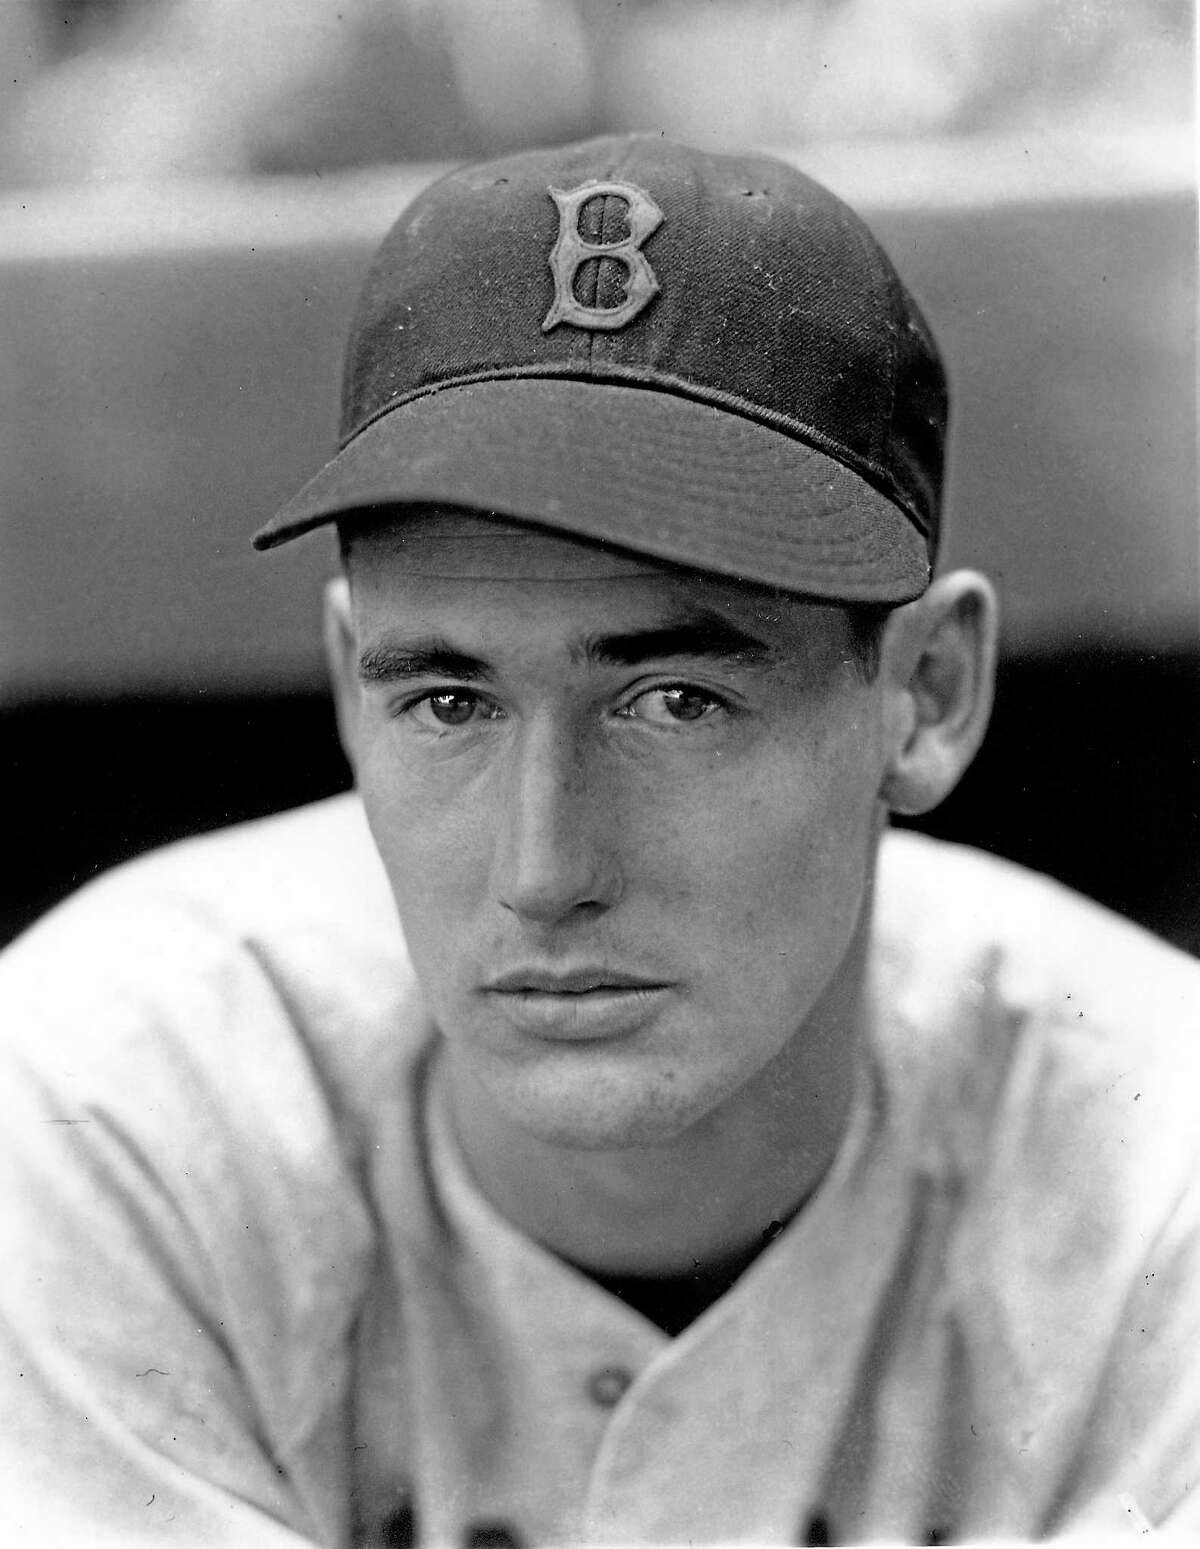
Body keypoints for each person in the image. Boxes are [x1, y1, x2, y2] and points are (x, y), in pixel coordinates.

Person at [1, 135, 1197, 1548]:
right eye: (449, 700)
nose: (543, 867)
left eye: (676, 699)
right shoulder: (102, 1104)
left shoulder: (1156, 1162)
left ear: (925, 693)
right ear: (346, 686)